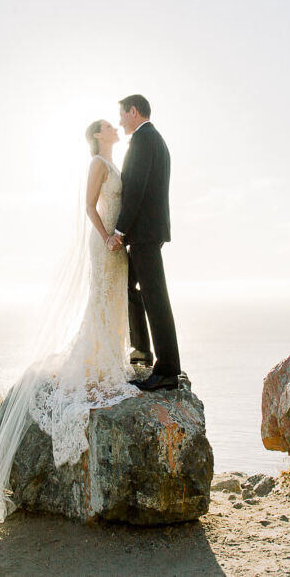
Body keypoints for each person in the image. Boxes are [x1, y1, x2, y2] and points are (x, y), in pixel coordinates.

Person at [0, 119, 140, 528]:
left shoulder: (114, 161)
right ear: (98, 135)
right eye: (107, 124)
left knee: (113, 303)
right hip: (105, 243)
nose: (114, 125)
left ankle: (110, 358)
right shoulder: (98, 164)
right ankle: (97, 362)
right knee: (100, 301)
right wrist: (106, 236)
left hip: (117, 241)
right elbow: (88, 206)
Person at [108, 94, 181, 391]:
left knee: (156, 299)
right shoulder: (155, 139)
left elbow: (135, 189)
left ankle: (167, 370)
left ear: (134, 111)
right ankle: (142, 353)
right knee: (130, 288)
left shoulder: (142, 141)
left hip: (144, 234)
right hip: (150, 232)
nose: (120, 120)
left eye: (122, 114)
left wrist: (120, 231)